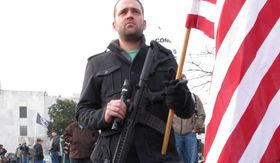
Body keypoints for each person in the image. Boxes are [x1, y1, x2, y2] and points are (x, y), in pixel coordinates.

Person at [75, 0, 195, 162]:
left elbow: (187, 110)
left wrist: (179, 97)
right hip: (112, 156)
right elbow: (82, 112)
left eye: (135, 12)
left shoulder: (164, 59)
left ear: (144, 23)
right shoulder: (96, 64)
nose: (129, 15)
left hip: (159, 156)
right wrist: (104, 114)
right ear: (114, 24)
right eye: (123, 12)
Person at [172, 74, 206, 163]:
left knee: (192, 160)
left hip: (190, 134)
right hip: (175, 135)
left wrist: (195, 126)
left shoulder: (194, 98)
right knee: (175, 159)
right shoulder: (171, 98)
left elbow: (201, 114)